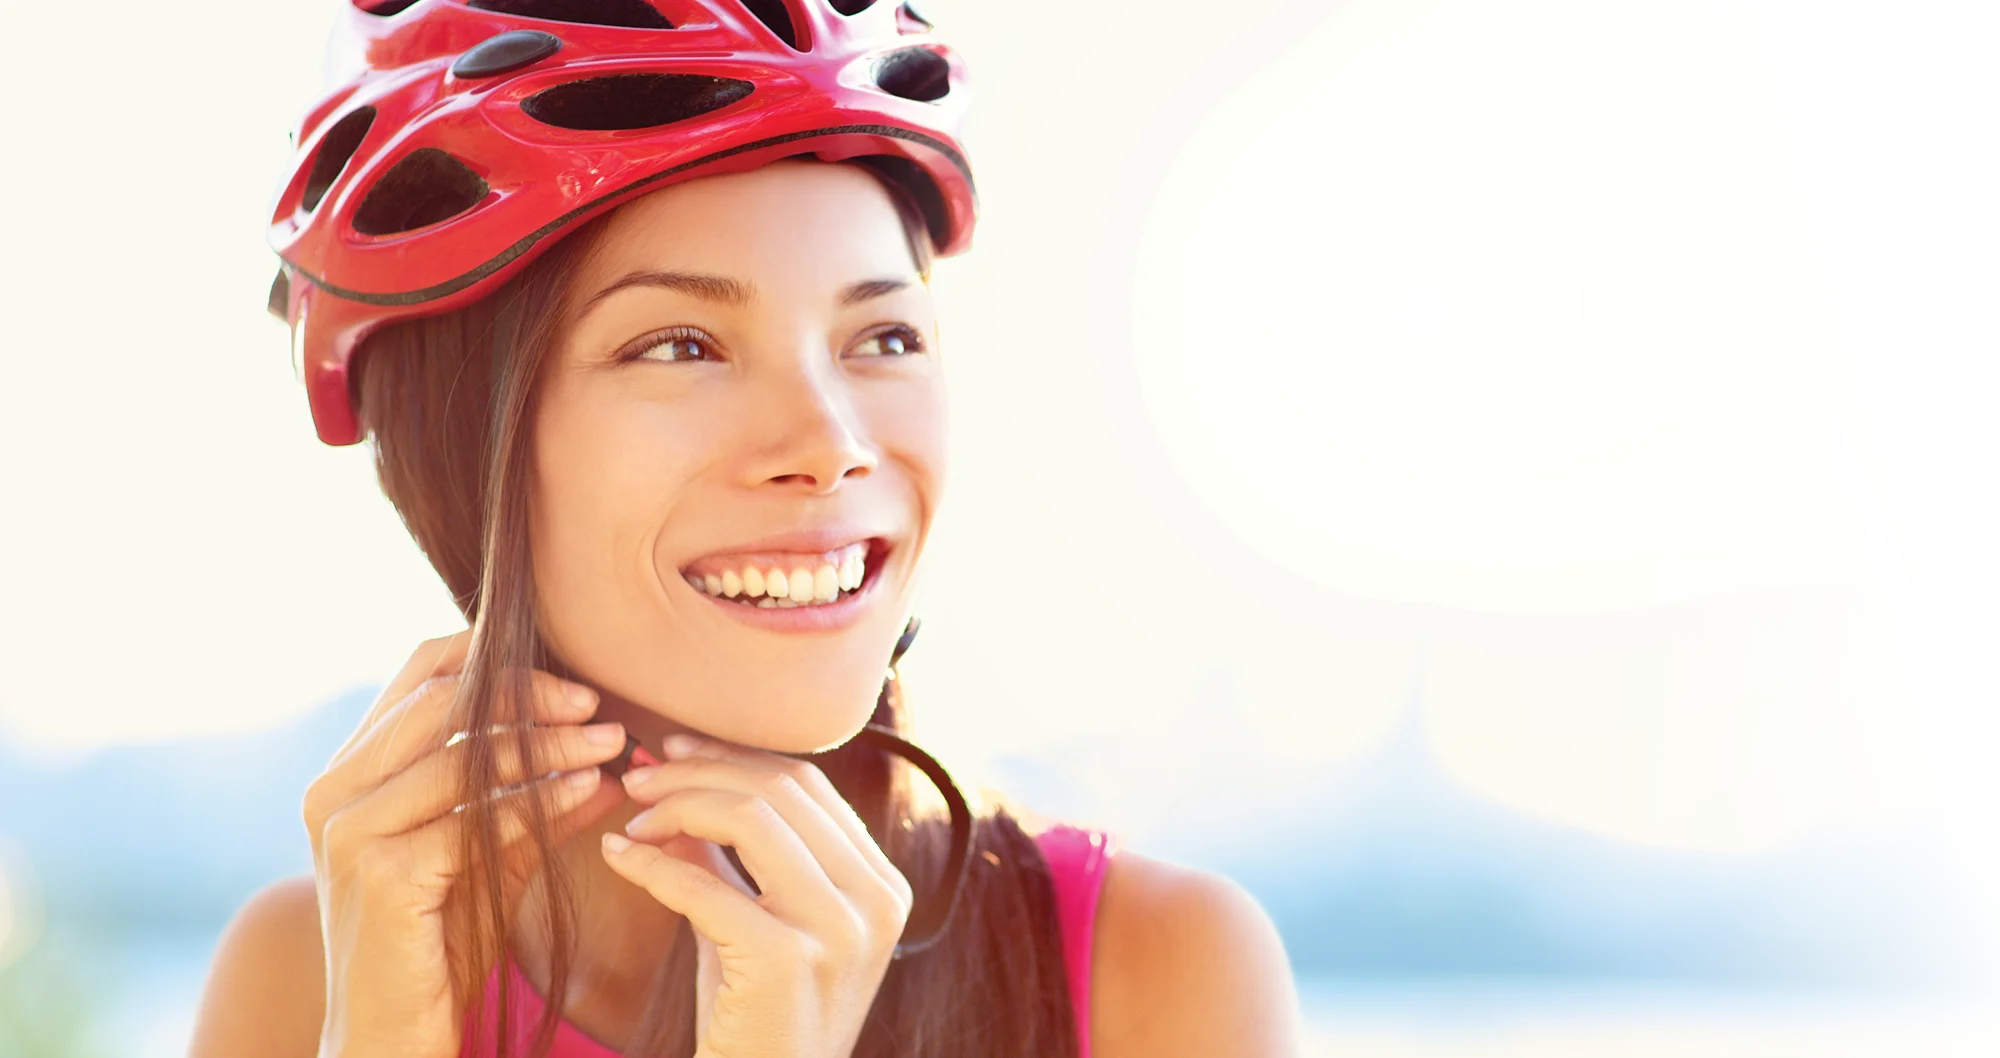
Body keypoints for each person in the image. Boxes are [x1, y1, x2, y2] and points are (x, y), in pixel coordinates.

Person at [192, 2, 1300, 1056]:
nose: (828, 442)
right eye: (680, 344)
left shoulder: (1156, 973)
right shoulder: (321, 971)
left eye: (884, 335)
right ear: (459, 442)